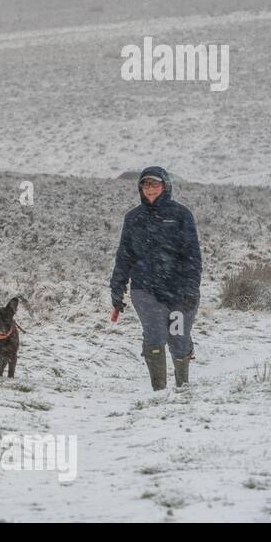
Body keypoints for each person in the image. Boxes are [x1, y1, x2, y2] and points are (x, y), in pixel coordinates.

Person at [109, 166, 203, 390]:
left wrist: (191, 288)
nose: (150, 189)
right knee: (154, 335)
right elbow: (124, 255)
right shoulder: (133, 218)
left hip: (179, 292)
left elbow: (192, 255)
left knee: (178, 337)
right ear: (140, 188)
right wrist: (117, 288)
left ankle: (182, 387)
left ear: (165, 186)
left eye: (155, 184)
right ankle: (159, 391)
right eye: (146, 184)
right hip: (144, 290)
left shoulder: (181, 215)